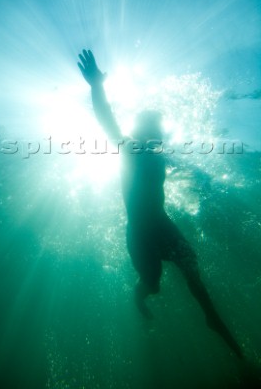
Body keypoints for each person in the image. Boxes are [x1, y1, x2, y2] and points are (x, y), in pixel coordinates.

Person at [77, 49, 243, 359]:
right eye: (153, 130)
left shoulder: (159, 155)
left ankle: (211, 316)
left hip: (161, 224)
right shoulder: (128, 146)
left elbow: (193, 175)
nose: (158, 134)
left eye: (159, 131)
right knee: (152, 285)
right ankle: (139, 297)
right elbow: (105, 117)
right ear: (141, 131)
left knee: (192, 268)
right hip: (139, 233)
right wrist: (96, 84)